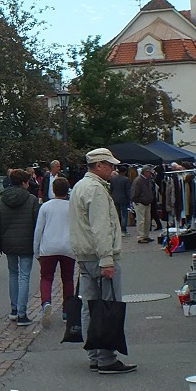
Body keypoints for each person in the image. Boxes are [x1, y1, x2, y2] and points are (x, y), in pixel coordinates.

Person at [70, 148, 136, 375]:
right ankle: (106, 356)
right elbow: (100, 228)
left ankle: (95, 354)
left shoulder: (80, 186)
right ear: (99, 165)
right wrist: (107, 259)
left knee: (91, 305)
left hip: (85, 255)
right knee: (109, 305)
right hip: (99, 256)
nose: (113, 169)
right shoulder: (96, 190)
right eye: (109, 165)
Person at [0, 168, 39, 327]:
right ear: (24, 182)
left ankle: (13, 309)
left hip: (8, 242)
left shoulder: (1, 200)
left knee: (13, 274)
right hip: (26, 242)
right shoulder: (31, 200)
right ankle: (22, 313)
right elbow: (36, 223)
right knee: (24, 276)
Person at [33, 176, 74, 328]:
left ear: (53, 190)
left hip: (49, 247)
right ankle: (66, 311)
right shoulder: (72, 207)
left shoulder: (45, 207)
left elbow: (38, 230)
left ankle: (46, 303)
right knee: (68, 279)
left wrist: (36, 251)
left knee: (46, 277)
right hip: (67, 247)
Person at [130, 166, 156, 244]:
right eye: (149, 173)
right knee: (141, 221)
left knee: (147, 220)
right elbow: (134, 192)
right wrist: (137, 200)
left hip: (147, 203)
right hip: (140, 203)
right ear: (145, 172)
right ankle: (141, 237)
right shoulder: (138, 180)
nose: (151, 174)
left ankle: (146, 235)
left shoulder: (148, 180)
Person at [109, 164, 132, 237]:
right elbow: (128, 190)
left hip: (115, 198)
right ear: (125, 171)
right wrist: (130, 199)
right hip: (123, 199)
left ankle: (117, 230)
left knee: (117, 215)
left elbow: (111, 188)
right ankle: (123, 230)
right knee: (124, 215)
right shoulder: (126, 179)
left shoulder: (113, 179)